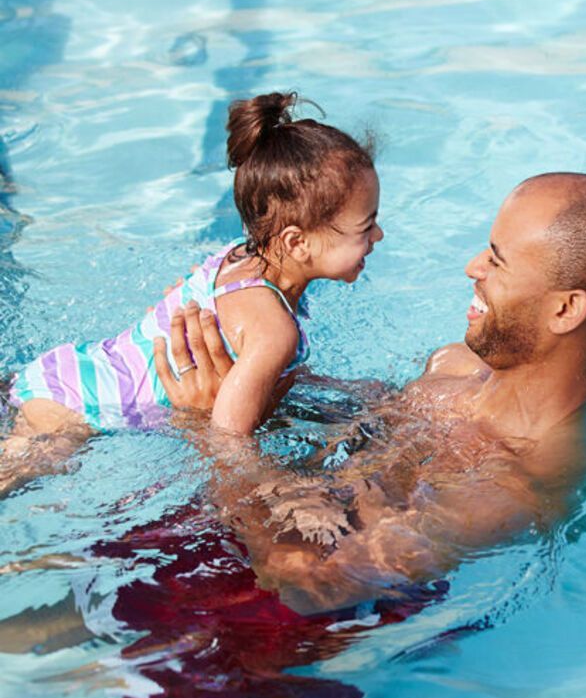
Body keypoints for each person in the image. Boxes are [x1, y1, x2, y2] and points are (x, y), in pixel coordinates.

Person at [158, 171, 586, 615]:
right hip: (233, 524)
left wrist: (208, 431)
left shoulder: (512, 488)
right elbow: (354, 420)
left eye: (497, 259)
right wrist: (249, 376)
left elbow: (309, 587)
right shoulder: (455, 364)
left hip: (262, 633)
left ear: (565, 311)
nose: (473, 267)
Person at [0, 91, 383, 495]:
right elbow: (227, 438)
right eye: (365, 227)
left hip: (74, 369)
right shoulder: (274, 332)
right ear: (297, 243)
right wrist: (287, 492)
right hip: (75, 408)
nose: (378, 235)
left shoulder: (241, 257)